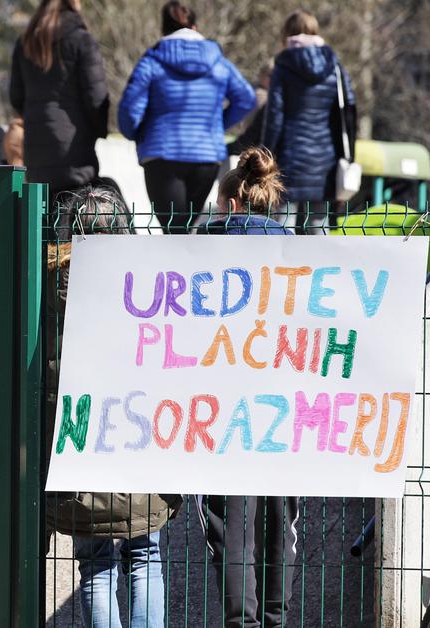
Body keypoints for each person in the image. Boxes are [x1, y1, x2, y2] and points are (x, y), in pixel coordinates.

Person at [45, 184, 181, 628]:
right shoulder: (152, 291)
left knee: (95, 563)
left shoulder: (45, 297)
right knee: (146, 556)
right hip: (142, 451)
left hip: (79, 455)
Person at [196, 147, 300, 628]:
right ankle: (276, 618)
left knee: (231, 524)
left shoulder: (204, 247)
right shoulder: (297, 251)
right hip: (284, 403)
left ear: (233, 205)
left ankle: (242, 622)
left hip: (221, 406)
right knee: (280, 518)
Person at [118, 1, 255, 235]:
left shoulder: (152, 60)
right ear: (195, 26)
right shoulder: (218, 61)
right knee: (186, 228)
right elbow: (246, 97)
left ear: (164, 29)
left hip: (162, 154)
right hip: (205, 156)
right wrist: (216, 125)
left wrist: (139, 134)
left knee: (172, 229)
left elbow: (129, 110)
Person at [9, 0, 110, 235]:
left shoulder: (26, 42)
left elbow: (16, 97)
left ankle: (43, 268)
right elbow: (96, 97)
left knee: (43, 214)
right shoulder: (81, 39)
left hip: (36, 145)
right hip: (74, 145)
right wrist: (97, 130)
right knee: (76, 214)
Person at [261, 9, 357, 234]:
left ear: (287, 34)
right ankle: (320, 269)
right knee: (319, 225)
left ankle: (280, 268)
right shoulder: (334, 66)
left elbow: (274, 115)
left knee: (283, 225)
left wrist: (266, 154)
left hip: (289, 156)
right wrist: (349, 155)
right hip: (326, 159)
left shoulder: (283, 67)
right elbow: (348, 114)